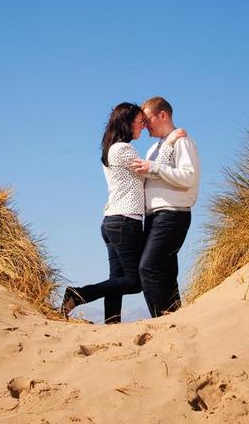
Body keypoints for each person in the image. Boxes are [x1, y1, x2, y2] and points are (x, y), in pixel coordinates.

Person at [61, 102, 185, 323]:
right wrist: (170, 142)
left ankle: (112, 323)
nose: (143, 126)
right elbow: (150, 173)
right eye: (140, 122)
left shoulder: (112, 149)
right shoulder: (122, 149)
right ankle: (78, 294)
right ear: (127, 124)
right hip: (125, 221)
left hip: (113, 222)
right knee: (135, 281)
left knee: (117, 279)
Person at [131, 97, 200, 318]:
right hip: (154, 217)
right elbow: (153, 171)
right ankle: (176, 320)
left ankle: (160, 323)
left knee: (148, 267)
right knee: (166, 272)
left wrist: (154, 167)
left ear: (163, 115)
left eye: (147, 119)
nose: (145, 125)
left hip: (173, 214)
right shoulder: (155, 147)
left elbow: (188, 177)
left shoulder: (183, 141)